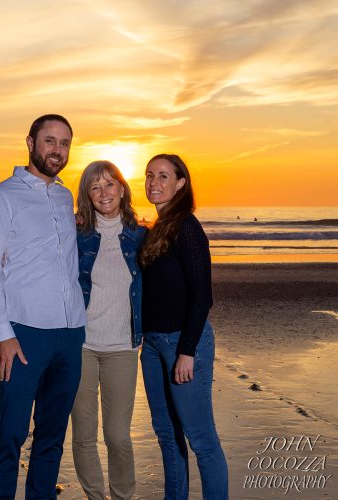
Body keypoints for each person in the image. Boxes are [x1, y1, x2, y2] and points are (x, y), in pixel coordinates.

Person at [0, 114, 86, 500]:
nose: (57, 150)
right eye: (50, 141)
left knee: (52, 436)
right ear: (30, 142)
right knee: (10, 433)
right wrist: (2, 335)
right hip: (23, 333)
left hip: (71, 334)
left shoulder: (64, 196)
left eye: (65, 143)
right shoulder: (1, 197)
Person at [139, 154, 229, 499]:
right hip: (152, 347)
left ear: (180, 183)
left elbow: (202, 296)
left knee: (201, 438)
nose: (154, 182)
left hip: (184, 345)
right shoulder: (155, 230)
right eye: (149, 175)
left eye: (163, 176)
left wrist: (187, 352)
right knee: (165, 432)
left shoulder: (187, 227)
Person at [72, 160, 146, 500]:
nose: (104, 192)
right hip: (82, 346)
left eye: (110, 184)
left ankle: (122, 496)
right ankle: (94, 496)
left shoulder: (141, 236)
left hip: (123, 348)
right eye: (95, 186)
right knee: (84, 435)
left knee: (118, 435)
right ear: (87, 195)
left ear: (122, 188)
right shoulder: (76, 235)